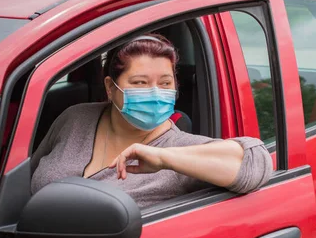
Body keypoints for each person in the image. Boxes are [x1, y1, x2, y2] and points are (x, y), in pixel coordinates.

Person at [31, 34, 272, 209]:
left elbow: (256, 162)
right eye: (140, 83)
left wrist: (164, 159)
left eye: (165, 83)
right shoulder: (75, 118)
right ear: (110, 88)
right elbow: (20, 182)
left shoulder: (182, 151)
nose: (156, 93)